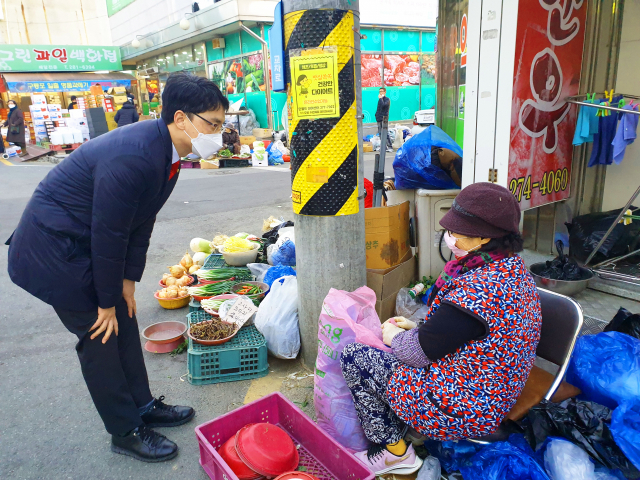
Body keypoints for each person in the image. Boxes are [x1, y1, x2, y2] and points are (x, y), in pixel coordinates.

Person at [6, 73, 229, 463]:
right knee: (100, 337)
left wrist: (126, 284)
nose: (219, 133)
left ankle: (142, 407)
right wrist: (105, 301)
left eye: (222, 124)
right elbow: (109, 234)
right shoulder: (135, 156)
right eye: (213, 124)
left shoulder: (169, 154)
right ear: (181, 118)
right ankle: (125, 431)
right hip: (54, 251)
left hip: (85, 244)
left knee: (123, 320)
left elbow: (140, 223)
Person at [340, 183, 542, 476]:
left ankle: (395, 453)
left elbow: (417, 353)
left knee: (355, 356)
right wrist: (419, 327)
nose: (449, 237)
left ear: (485, 237)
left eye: (457, 231)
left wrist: (397, 337)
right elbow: (466, 331)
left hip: (468, 403)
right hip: (494, 383)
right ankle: (405, 426)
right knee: (384, 350)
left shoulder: (479, 291)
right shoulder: (509, 268)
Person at [375, 87, 393, 153]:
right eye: (380, 91)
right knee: (380, 133)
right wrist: (376, 115)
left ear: (385, 92)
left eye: (382, 91)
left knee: (385, 132)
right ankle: (383, 147)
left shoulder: (387, 99)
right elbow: (379, 108)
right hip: (379, 118)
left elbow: (383, 106)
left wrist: (380, 98)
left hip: (384, 118)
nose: (380, 93)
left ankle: (390, 146)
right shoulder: (380, 100)